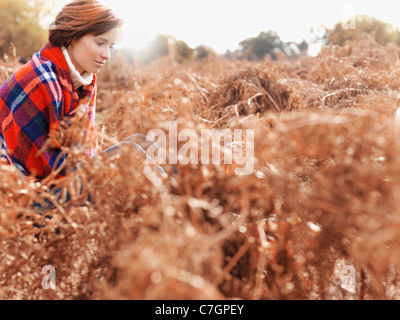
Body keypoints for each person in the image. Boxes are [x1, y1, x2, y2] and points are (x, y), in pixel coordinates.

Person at [0, 0, 165, 212]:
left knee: (144, 143)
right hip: (23, 205)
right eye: (100, 43)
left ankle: (181, 212)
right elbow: (51, 168)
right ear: (72, 36)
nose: (107, 55)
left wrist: (103, 173)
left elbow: (79, 157)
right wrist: (106, 177)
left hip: (53, 190)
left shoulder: (82, 80)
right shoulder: (41, 80)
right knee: (131, 153)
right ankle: (181, 217)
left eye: (111, 46)